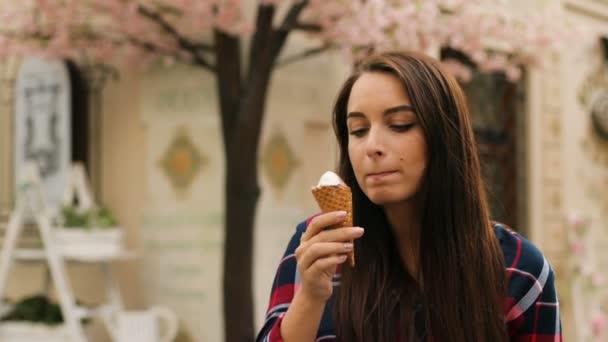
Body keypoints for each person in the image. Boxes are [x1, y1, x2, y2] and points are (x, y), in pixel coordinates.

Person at [256, 51, 561, 342]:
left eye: (399, 125)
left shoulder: (520, 270)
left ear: (444, 136)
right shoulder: (317, 247)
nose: (371, 146)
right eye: (358, 130)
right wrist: (310, 296)